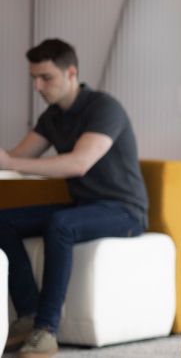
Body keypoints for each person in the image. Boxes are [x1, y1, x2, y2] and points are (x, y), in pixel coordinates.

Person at [0, 39, 149, 358]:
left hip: (125, 211)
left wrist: (11, 162)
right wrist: (6, 159)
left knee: (60, 224)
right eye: (34, 78)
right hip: (84, 207)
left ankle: (46, 330)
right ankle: (28, 316)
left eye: (46, 78)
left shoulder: (104, 107)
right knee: (3, 221)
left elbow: (79, 163)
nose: (38, 86)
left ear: (71, 73)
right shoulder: (52, 117)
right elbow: (16, 157)